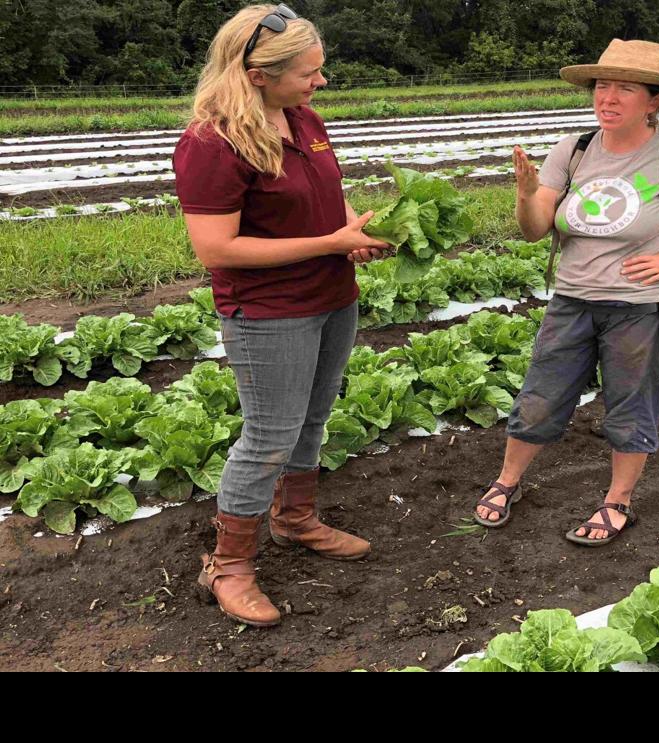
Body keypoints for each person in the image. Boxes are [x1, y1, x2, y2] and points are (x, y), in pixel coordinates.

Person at [473, 39, 659, 545]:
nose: (607, 98)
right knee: (540, 396)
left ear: (656, 101)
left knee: (630, 405)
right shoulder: (575, 149)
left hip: (640, 307)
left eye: (624, 89)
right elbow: (536, 228)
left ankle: (617, 502)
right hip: (572, 300)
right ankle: (507, 482)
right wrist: (524, 196)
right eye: (602, 86)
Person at [172, 4, 392, 626]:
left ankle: (295, 520)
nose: (320, 83)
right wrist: (330, 244)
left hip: (332, 298)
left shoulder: (306, 121)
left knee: (313, 419)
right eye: (308, 73)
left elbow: (326, 209)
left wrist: (355, 235)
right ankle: (229, 565)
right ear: (259, 74)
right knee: (268, 437)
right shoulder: (211, 144)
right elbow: (216, 249)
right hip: (269, 312)